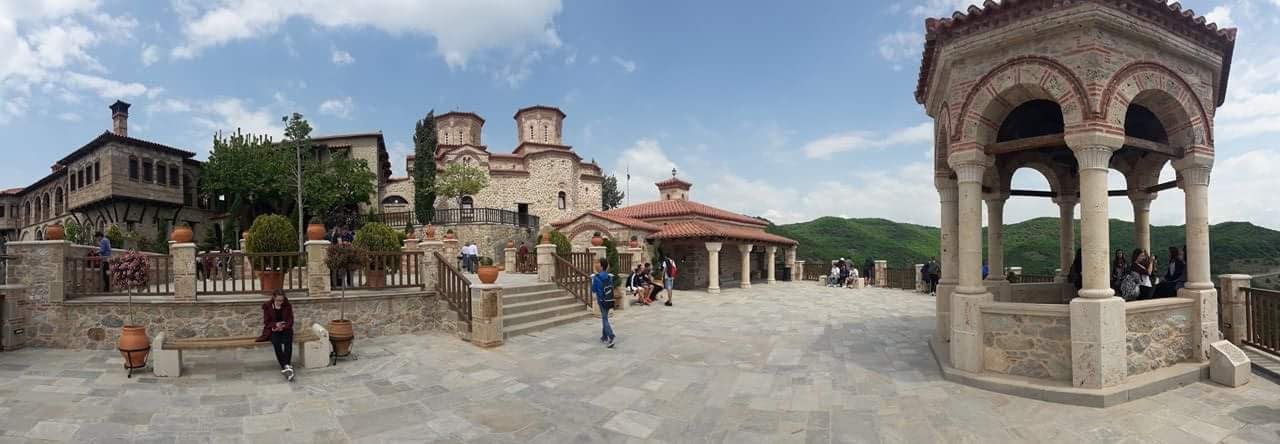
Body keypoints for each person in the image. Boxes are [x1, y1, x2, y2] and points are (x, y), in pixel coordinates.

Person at [255, 290, 296, 381]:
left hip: (285, 329)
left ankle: (286, 366)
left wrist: (283, 327)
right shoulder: (267, 306)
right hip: (273, 330)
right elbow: (267, 322)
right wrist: (275, 325)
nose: (280, 302)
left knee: (288, 341)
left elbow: (290, 320)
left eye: (281, 300)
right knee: (276, 342)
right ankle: (285, 366)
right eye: (278, 300)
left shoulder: (287, 305)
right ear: (274, 298)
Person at [591, 258, 616, 348]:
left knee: (605, 319)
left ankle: (611, 336)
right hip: (609, 300)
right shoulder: (609, 276)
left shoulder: (597, 278)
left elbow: (593, 290)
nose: (596, 265)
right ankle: (604, 336)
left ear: (601, 266)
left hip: (602, 301)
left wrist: (594, 278)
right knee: (604, 317)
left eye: (598, 264)